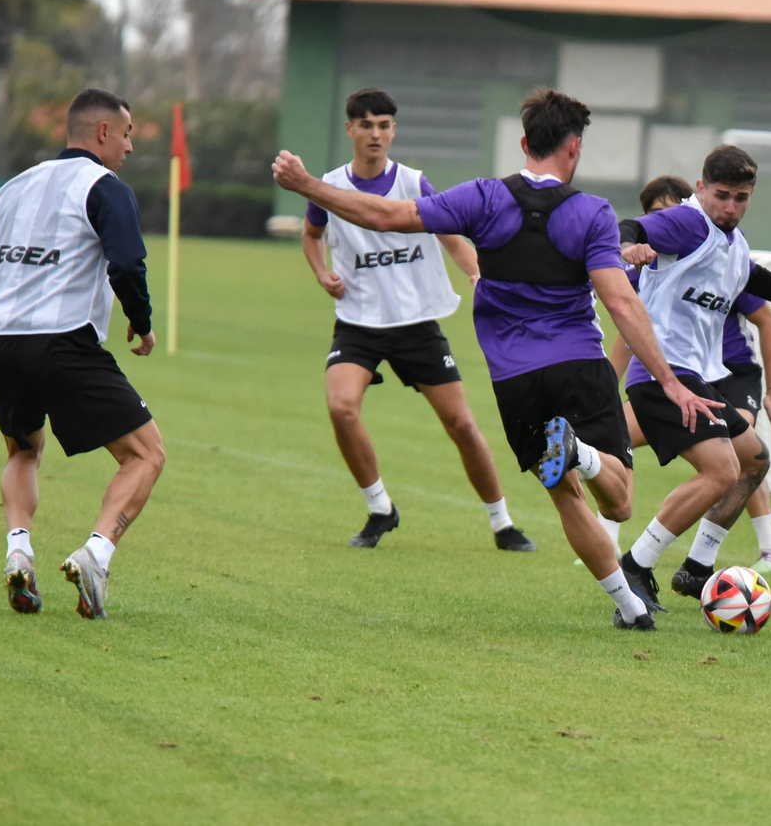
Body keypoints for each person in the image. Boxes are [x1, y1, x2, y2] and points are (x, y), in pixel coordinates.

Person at [273, 88, 720, 632]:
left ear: (526, 142)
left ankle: (629, 608)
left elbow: (385, 215)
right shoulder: (592, 213)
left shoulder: (482, 198)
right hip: (578, 364)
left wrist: (307, 186)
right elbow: (621, 300)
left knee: (564, 497)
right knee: (619, 502)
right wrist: (671, 381)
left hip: (514, 380)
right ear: (574, 148)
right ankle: (581, 455)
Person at [615, 146, 771, 611]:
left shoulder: (734, 245)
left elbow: (759, 281)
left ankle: (698, 567)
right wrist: (627, 247)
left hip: (696, 377)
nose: (730, 207)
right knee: (721, 469)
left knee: (753, 460)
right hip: (661, 375)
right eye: (722, 195)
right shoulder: (686, 223)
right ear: (700, 188)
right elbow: (631, 227)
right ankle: (636, 565)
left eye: (741, 198)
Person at [0, 87, 166, 620]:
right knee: (145, 455)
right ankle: (95, 557)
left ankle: (18, 552)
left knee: (23, 450)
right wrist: (141, 324)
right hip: (64, 342)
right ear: (103, 133)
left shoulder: (12, 189)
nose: (129, 147)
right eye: (126, 135)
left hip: (0, 342)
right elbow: (126, 263)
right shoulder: (106, 186)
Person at [301, 88, 531, 552]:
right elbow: (312, 234)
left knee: (462, 425)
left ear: (394, 130)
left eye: (384, 125)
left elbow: (452, 237)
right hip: (359, 323)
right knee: (341, 407)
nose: (375, 134)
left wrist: (478, 276)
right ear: (349, 129)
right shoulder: (328, 186)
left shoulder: (414, 183)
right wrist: (322, 271)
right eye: (365, 125)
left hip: (416, 325)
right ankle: (381, 508)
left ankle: (503, 523)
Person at [608, 175, 771, 573]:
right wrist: (607, 385)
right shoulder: (644, 270)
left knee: (743, 457)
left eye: (668, 213)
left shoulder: (716, 253)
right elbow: (630, 331)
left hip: (732, 374)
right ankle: (618, 543)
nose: (662, 223)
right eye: (653, 217)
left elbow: (768, 320)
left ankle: (760, 550)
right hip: (673, 376)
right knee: (612, 437)